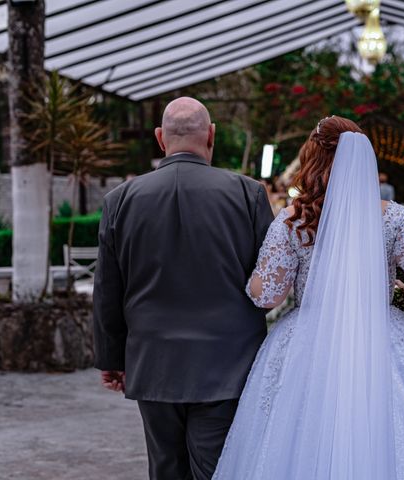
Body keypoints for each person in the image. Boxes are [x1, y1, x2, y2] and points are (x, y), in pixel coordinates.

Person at [213, 116, 404, 479]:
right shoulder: (393, 217)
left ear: (313, 159)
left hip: (307, 337)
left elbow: (266, 295)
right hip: (382, 330)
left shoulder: (294, 219)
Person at [93, 97, 274, 480]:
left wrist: (111, 357)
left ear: (161, 138)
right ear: (211, 135)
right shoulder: (248, 195)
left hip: (153, 361)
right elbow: (267, 282)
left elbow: (109, 289)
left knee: (165, 469)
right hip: (229, 362)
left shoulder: (119, 201)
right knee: (218, 469)